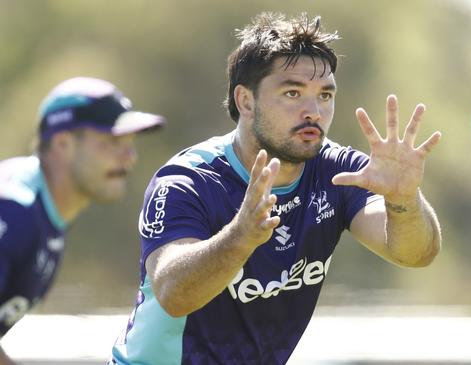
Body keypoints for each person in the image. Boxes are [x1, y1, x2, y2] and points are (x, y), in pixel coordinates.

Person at [110, 12, 442, 365]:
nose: (313, 111)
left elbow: (415, 254)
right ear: (246, 101)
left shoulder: (339, 171)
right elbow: (172, 294)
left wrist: (404, 199)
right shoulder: (188, 181)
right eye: (293, 92)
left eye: (325, 96)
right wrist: (240, 236)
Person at [0, 77, 165, 364]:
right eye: (112, 140)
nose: (130, 157)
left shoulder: (42, 211)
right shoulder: (13, 212)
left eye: (129, 142)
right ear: (63, 143)